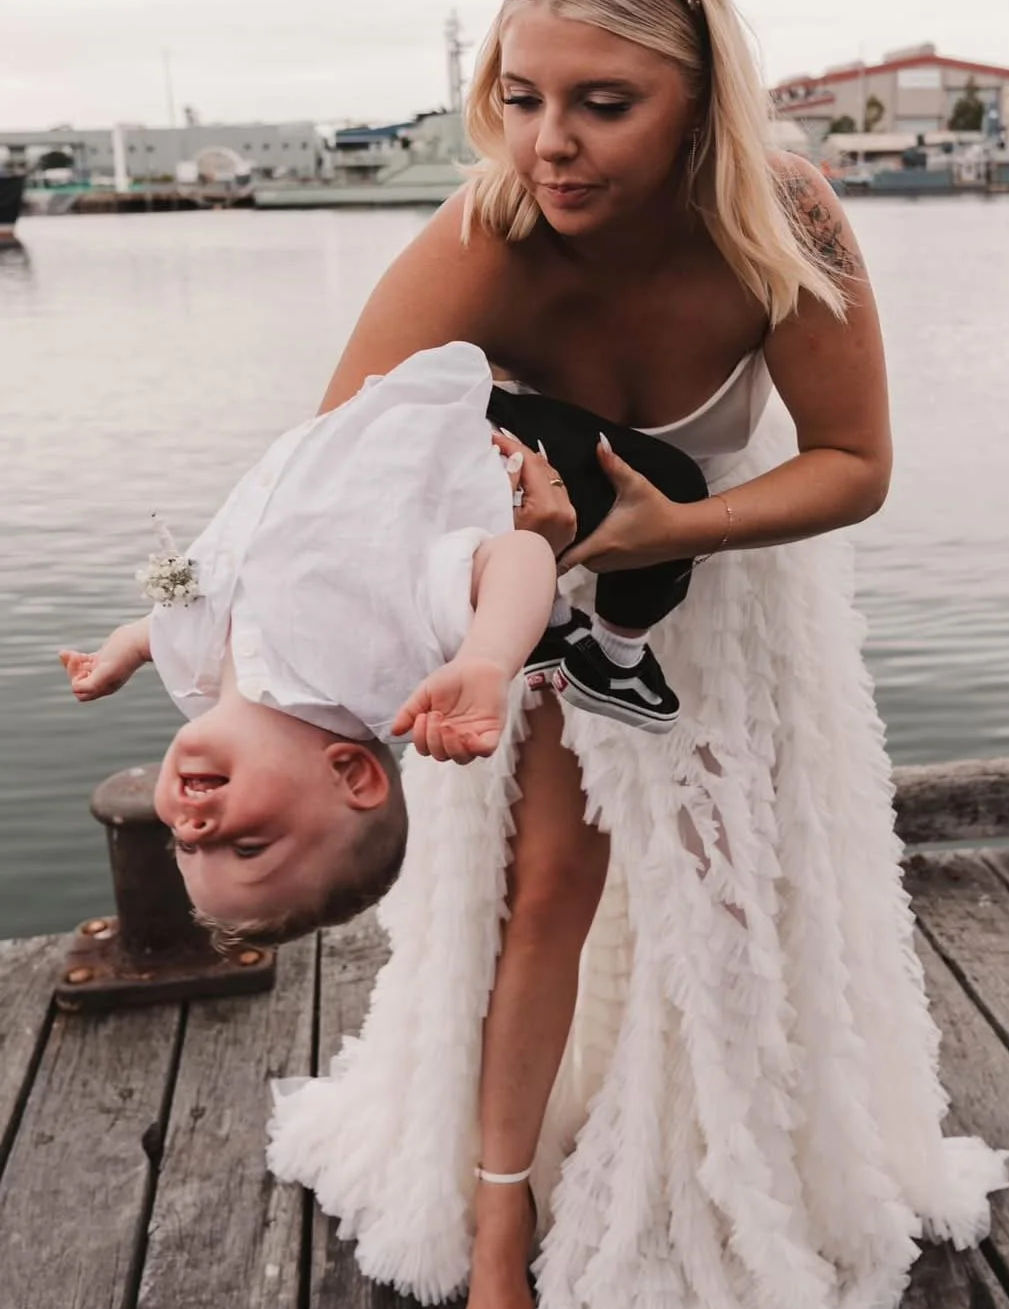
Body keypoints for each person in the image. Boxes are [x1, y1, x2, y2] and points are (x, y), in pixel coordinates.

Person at [266, 0, 1009, 1309]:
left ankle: (738, 1182)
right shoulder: (484, 232)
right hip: (520, 595)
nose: (550, 141)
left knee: (735, 892)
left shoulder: (785, 217)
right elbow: (322, 479)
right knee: (549, 888)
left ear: (698, 104)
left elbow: (856, 461)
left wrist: (687, 523)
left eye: (604, 104)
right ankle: (497, 1231)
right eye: (521, 97)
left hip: (724, 584)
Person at [59, 340, 707, 944]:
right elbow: (515, 556)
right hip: (471, 435)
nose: (195, 827)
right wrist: (487, 655)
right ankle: (614, 654)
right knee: (673, 484)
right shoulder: (376, 672)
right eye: (247, 848)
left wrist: (126, 645)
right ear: (350, 774)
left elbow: (195, 611)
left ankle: (570, 627)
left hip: (368, 414)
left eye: (188, 848)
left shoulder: (194, 674)